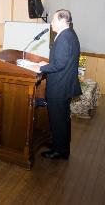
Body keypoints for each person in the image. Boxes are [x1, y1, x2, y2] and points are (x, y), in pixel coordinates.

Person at [31, 9, 82, 160]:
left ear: (61, 20)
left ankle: (59, 151)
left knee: (58, 121)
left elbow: (59, 65)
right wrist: (46, 64)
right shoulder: (70, 34)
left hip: (59, 87)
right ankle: (62, 147)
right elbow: (62, 62)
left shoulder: (64, 38)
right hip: (65, 85)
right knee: (63, 119)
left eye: (53, 20)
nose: (51, 23)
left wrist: (39, 67)